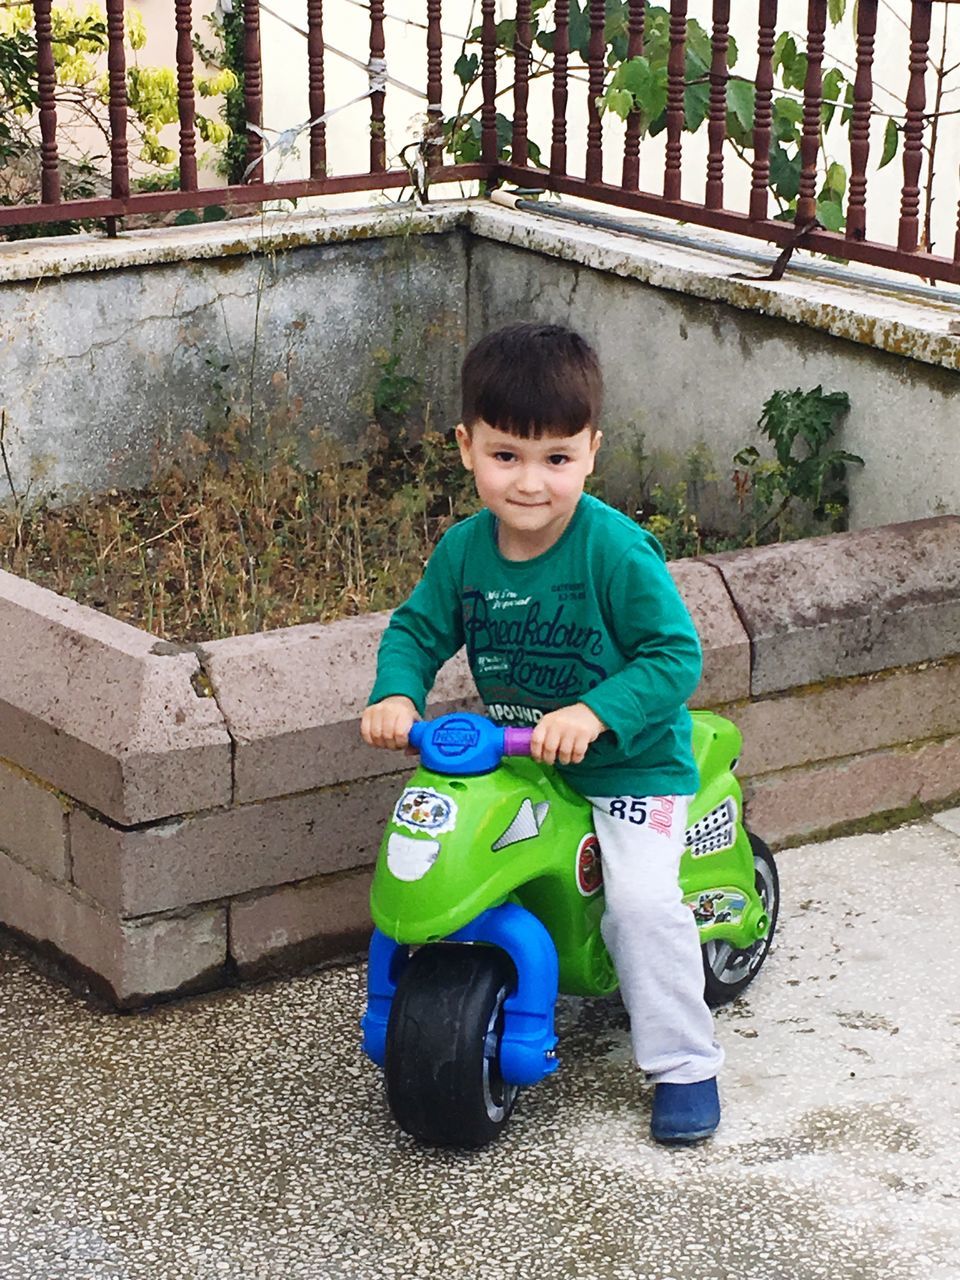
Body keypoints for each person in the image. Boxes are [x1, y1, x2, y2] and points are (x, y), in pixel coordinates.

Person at [360, 322, 723, 1144]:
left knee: (639, 904)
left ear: (592, 451)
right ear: (466, 447)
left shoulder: (615, 553)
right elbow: (416, 633)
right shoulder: (464, 553)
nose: (530, 483)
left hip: (630, 769)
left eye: (556, 458)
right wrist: (396, 695)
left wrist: (595, 713)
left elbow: (675, 656)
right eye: (506, 456)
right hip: (524, 760)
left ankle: (683, 1062)